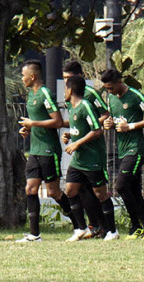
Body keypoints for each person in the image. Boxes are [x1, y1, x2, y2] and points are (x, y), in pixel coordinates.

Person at [17, 59, 77, 242]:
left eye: (23, 75)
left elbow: (57, 121)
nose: (22, 79)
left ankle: (80, 226)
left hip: (48, 150)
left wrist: (33, 123)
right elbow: (37, 121)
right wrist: (27, 128)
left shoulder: (45, 93)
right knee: (30, 189)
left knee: (53, 192)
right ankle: (34, 234)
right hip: (35, 150)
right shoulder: (31, 95)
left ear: (32, 76)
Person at [101, 68, 144, 239]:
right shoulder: (111, 98)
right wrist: (109, 124)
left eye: (111, 88)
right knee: (134, 190)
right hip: (123, 150)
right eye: (106, 89)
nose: (109, 91)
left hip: (136, 149)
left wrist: (131, 126)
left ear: (119, 82)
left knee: (120, 186)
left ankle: (135, 225)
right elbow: (114, 120)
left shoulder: (135, 96)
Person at [62, 75, 117, 240]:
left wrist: (77, 143)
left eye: (65, 88)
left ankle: (112, 231)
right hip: (79, 160)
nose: (64, 92)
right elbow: (81, 129)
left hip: (93, 159)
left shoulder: (85, 106)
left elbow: (97, 130)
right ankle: (81, 228)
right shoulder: (72, 108)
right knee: (70, 190)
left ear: (70, 90)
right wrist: (70, 135)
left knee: (101, 194)